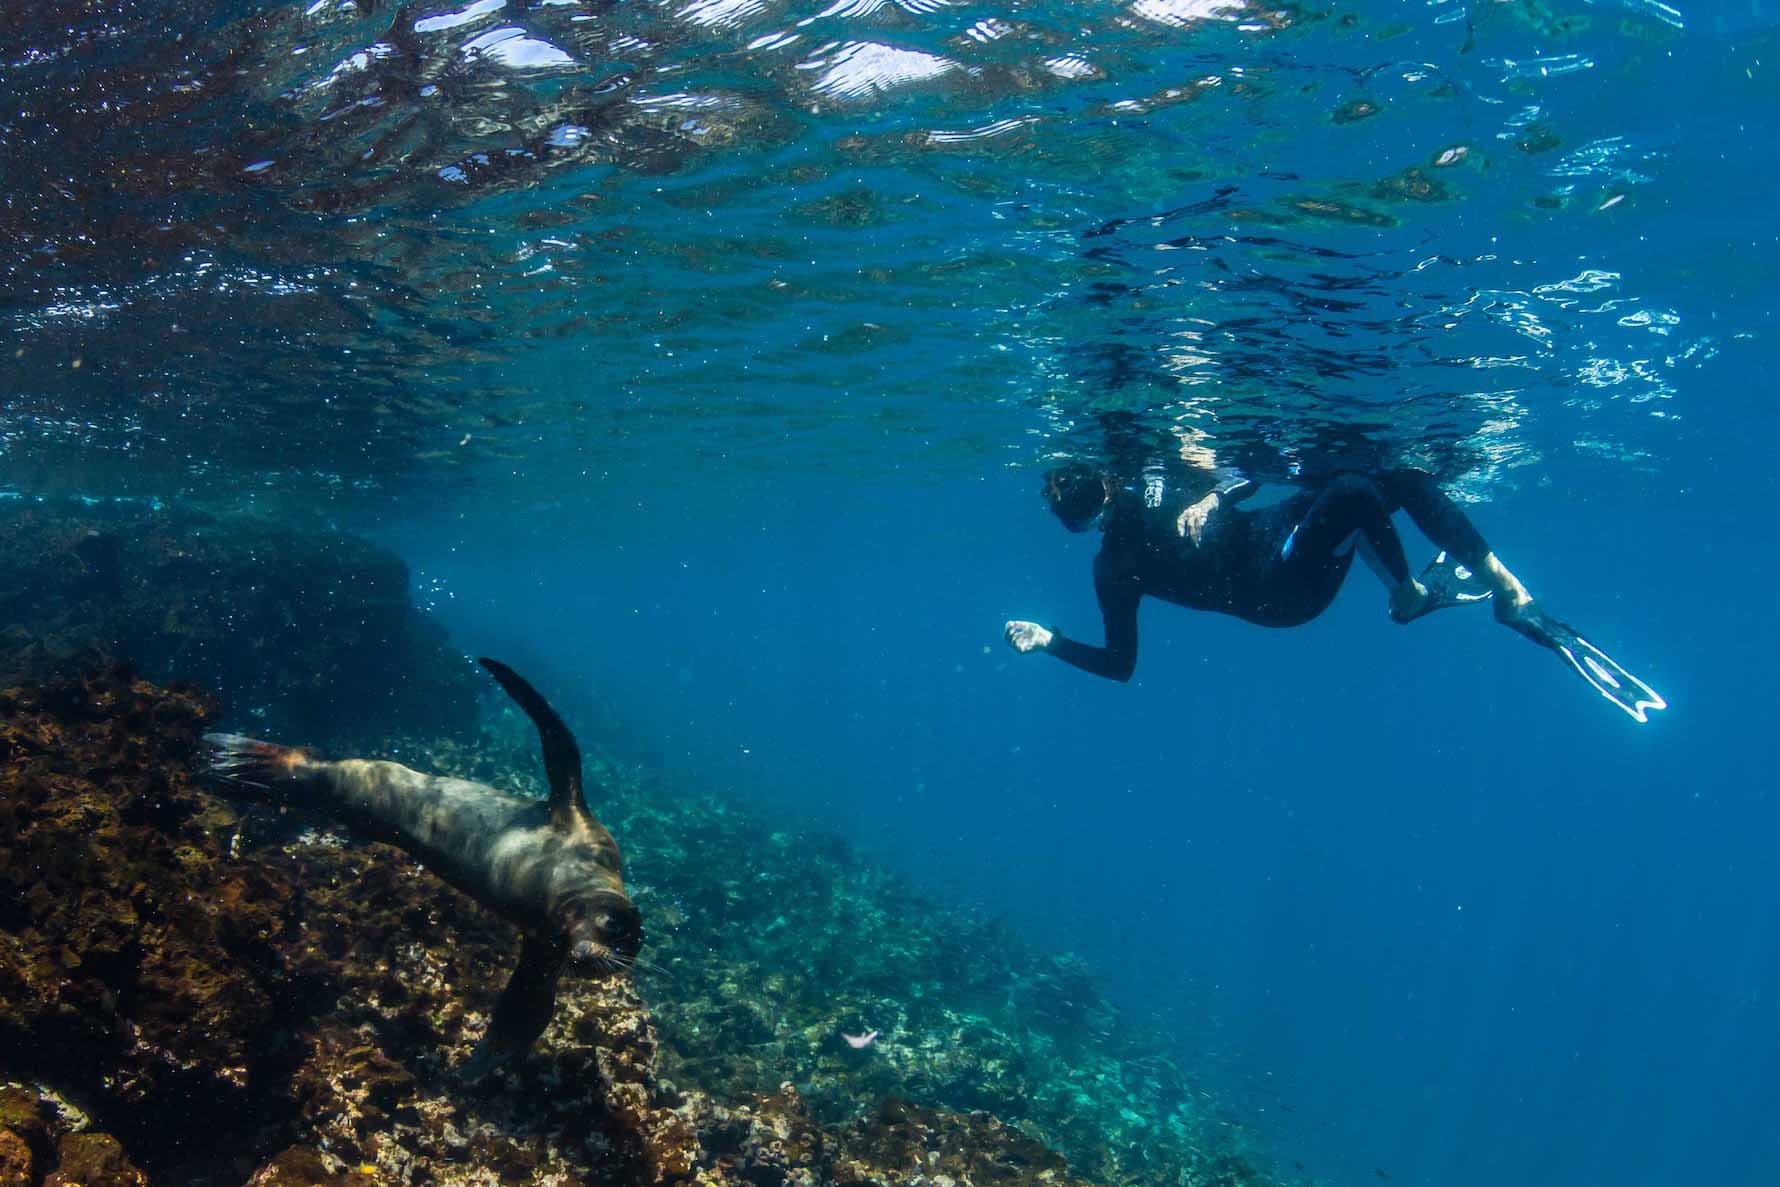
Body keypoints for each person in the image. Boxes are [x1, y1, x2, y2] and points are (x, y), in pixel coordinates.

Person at [1003, 461, 1666, 722]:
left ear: (1107, 480)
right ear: (1086, 527)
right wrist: (1048, 640)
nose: (1113, 512)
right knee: (1353, 495)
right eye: (1098, 517)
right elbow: (1122, 665)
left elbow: (1240, 471)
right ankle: (1408, 599)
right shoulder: (1114, 571)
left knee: (1392, 479)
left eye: (1107, 498)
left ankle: (1507, 590)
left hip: (1276, 528)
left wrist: (1214, 493)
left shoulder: (1151, 469)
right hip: (1280, 590)